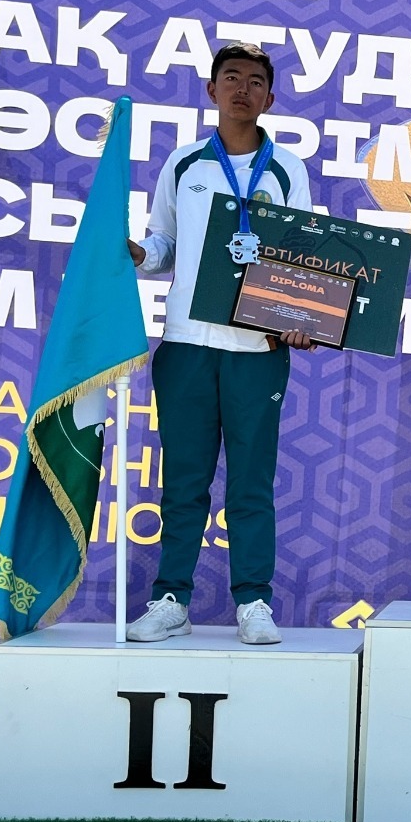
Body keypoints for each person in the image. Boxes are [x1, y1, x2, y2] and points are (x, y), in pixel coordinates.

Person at [123, 43, 314, 646]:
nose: (242, 89)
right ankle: (171, 599)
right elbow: (163, 245)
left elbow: (300, 257)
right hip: (186, 343)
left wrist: (299, 318)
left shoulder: (287, 169)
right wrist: (138, 253)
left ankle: (253, 600)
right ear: (211, 90)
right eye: (231, 78)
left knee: (251, 485)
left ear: (269, 98)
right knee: (183, 482)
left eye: (255, 81)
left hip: (257, 349)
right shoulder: (184, 164)